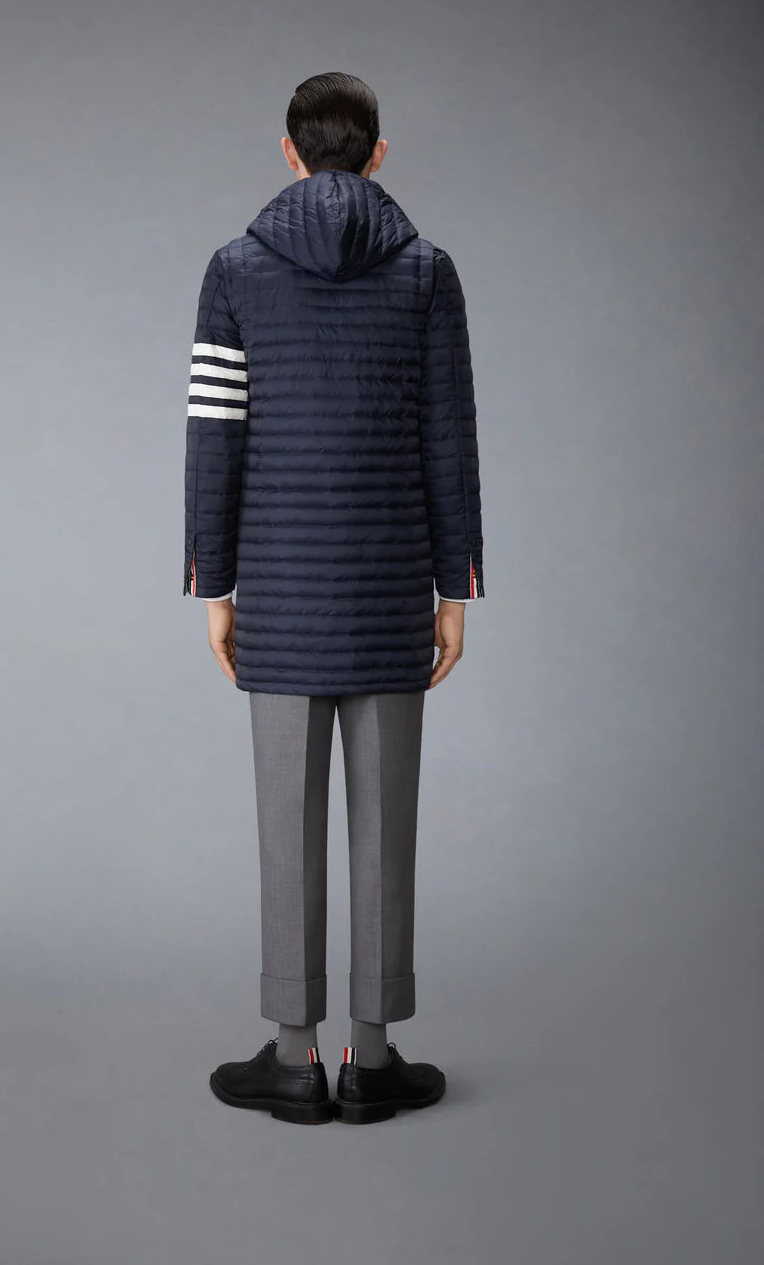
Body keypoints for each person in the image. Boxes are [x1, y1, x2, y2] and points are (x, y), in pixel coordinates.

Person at [183, 72, 484, 1124]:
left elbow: (214, 436)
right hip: (391, 586)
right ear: (379, 153)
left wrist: (213, 584)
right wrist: (455, 587)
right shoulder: (428, 272)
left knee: (287, 827)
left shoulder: (233, 270)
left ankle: (291, 1058)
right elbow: (450, 436)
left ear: (288, 151)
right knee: (386, 828)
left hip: (277, 587)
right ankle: (374, 1058)